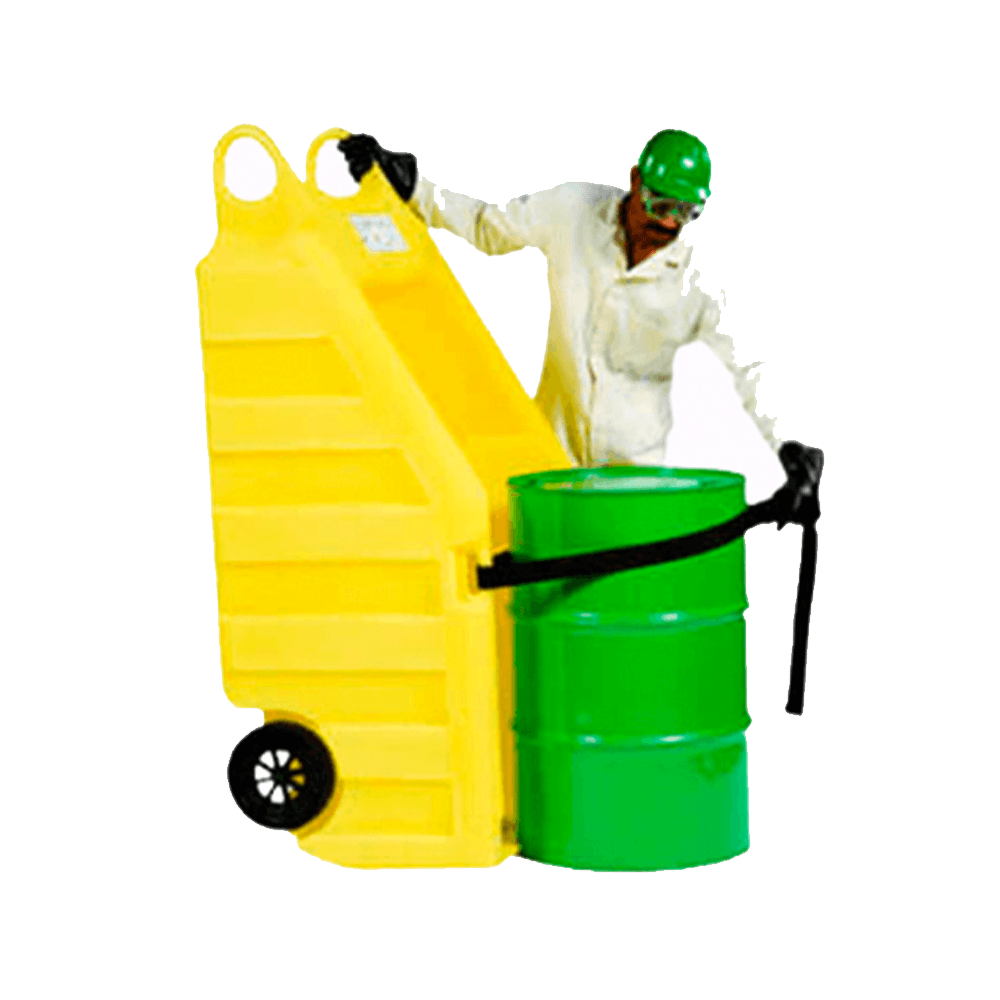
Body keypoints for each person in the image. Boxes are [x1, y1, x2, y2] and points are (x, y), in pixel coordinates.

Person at [339, 130, 778, 467]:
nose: (668, 224)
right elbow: (488, 227)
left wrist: (787, 452)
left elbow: (748, 370)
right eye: (660, 205)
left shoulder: (700, 278)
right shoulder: (570, 210)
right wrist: (415, 188)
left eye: (685, 213)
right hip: (552, 463)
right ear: (635, 180)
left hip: (636, 480)